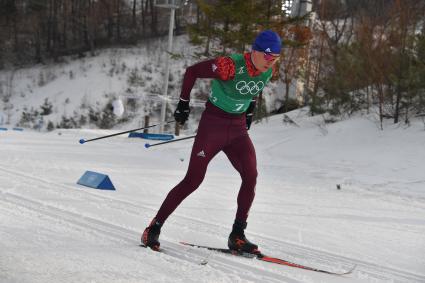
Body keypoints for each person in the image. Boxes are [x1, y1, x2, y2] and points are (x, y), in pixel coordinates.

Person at [142, 30, 282, 253]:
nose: (271, 62)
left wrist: (249, 113)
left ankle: (237, 235)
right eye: (267, 56)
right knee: (193, 180)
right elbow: (192, 72)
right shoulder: (230, 66)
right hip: (213, 126)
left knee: (251, 175)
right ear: (254, 51)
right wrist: (183, 103)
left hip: (237, 130)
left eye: (276, 57)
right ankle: (153, 228)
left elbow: (253, 89)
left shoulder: (267, 70)